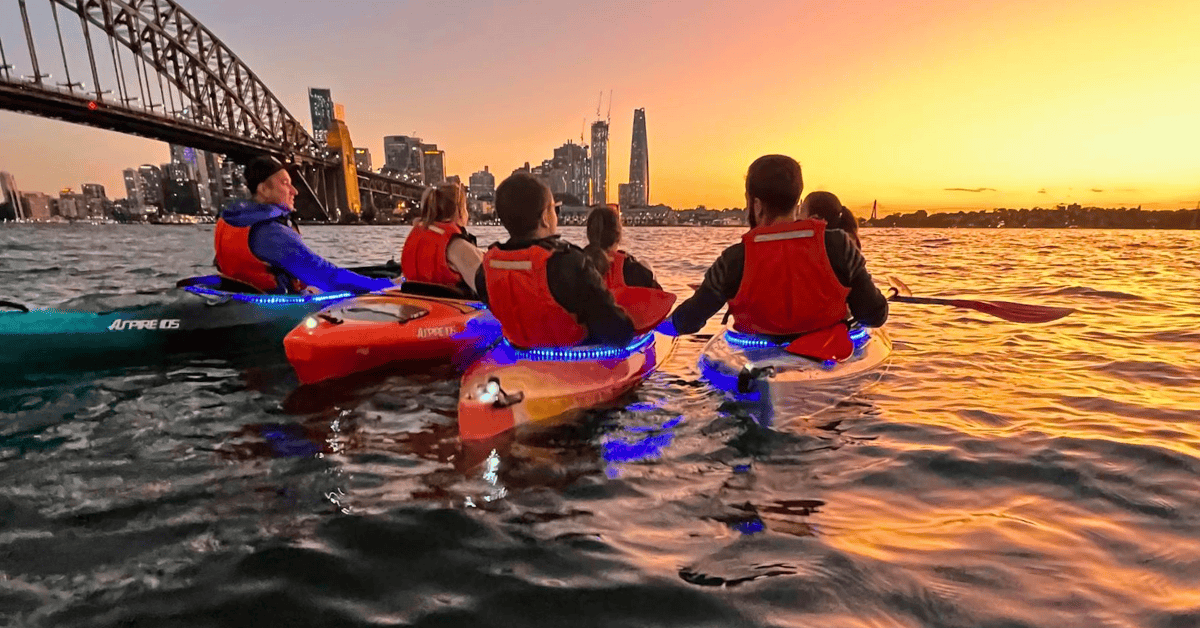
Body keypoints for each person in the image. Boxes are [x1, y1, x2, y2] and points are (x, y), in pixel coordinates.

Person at [660, 154, 888, 341]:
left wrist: (655, 327)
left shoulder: (733, 259)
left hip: (756, 360)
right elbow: (873, 316)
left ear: (756, 204)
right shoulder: (839, 245)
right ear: (797, 201)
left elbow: (687, 321)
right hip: (828, 356)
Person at [474, 173, 636, 348]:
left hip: (516, 354)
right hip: (573, 357)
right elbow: (618, 333)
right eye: (554, 209)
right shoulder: (568, 263)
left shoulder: (485, 269)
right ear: (545, 218)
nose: (556, 215)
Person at [214, 155, 395, 294]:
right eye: (285, 183)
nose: (294, 191)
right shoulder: (270, 232)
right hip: (275, 312)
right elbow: (325, 275)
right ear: (264, 190)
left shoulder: (229, 221)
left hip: (242, 300)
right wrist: (388, 286)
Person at [399, 182, 484, 296]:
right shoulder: (457, 246)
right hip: (451, 304)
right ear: (459, 211)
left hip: (413, 300)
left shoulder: (416, 235)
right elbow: (487, 289)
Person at [583, 204, 662, 290]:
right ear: (619, 236)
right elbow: (660, 296)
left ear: (589, 235)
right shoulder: (636, 272)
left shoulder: (576, 265)